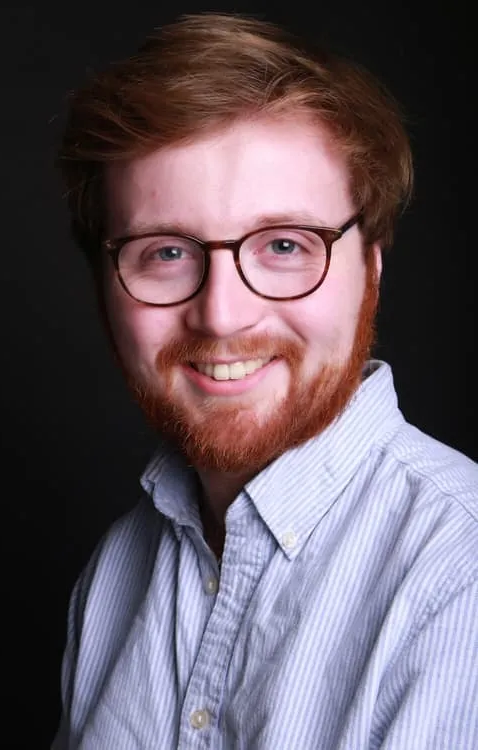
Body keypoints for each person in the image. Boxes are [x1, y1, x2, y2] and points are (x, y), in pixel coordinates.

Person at [51, 12, 477, 750]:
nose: (222, 315)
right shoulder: (116, 571)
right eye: (166, 252)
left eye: (284, 244)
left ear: (372, 267)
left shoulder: (460, 578)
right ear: (103, 289)